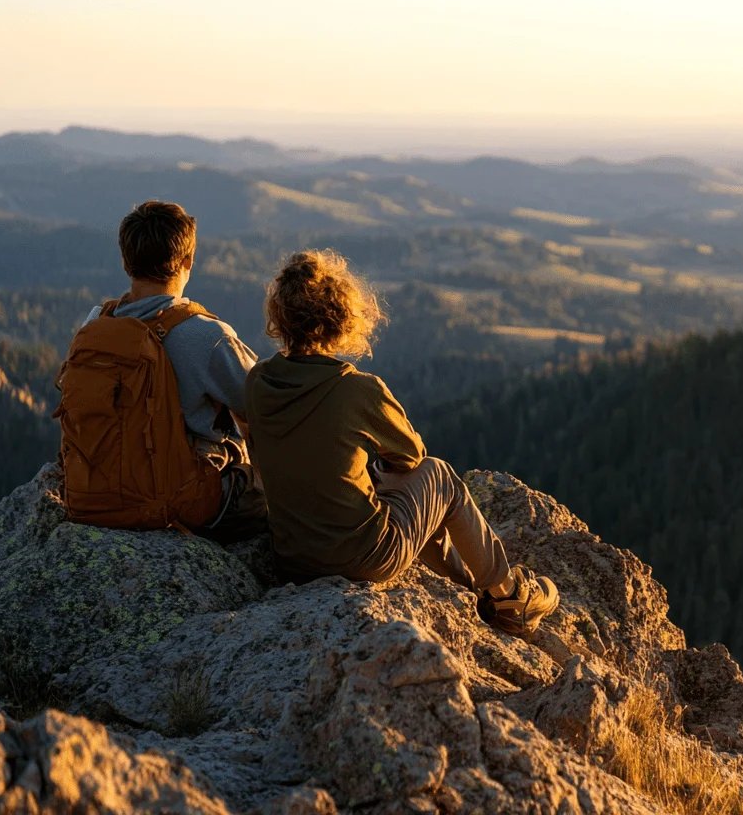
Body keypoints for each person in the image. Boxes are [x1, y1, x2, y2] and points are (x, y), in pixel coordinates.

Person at [245, 249, 559, 636]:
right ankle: (508, 595)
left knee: (381, 488)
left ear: (280, 318)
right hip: (362, 560)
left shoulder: (258, 382)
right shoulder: (357, 388)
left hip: (291, 559)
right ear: (341, 319)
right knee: (439, 477)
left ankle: (470, 588)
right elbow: (412, 457)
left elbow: (265, 461)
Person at [56, 200, 267, 542]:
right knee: (280, 496)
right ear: (188, 262)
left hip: (94, 497)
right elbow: (269, 407)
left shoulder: (94, 325)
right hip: (185, 503)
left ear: (127, 262)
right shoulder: (207, 336)